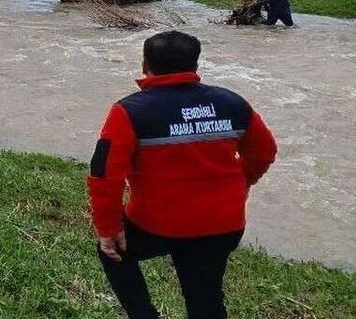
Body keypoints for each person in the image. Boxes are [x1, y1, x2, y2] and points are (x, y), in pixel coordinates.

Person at [87, 31, 278, 319]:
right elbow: (264, 152)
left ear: (144, 64)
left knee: (111, 252)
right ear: (195, 66)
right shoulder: (232, 103)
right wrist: (241, 180)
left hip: (155, 225)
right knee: (205, 297)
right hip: (222, 225)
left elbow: (104, 176)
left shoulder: (129, 111)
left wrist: (108, 228)